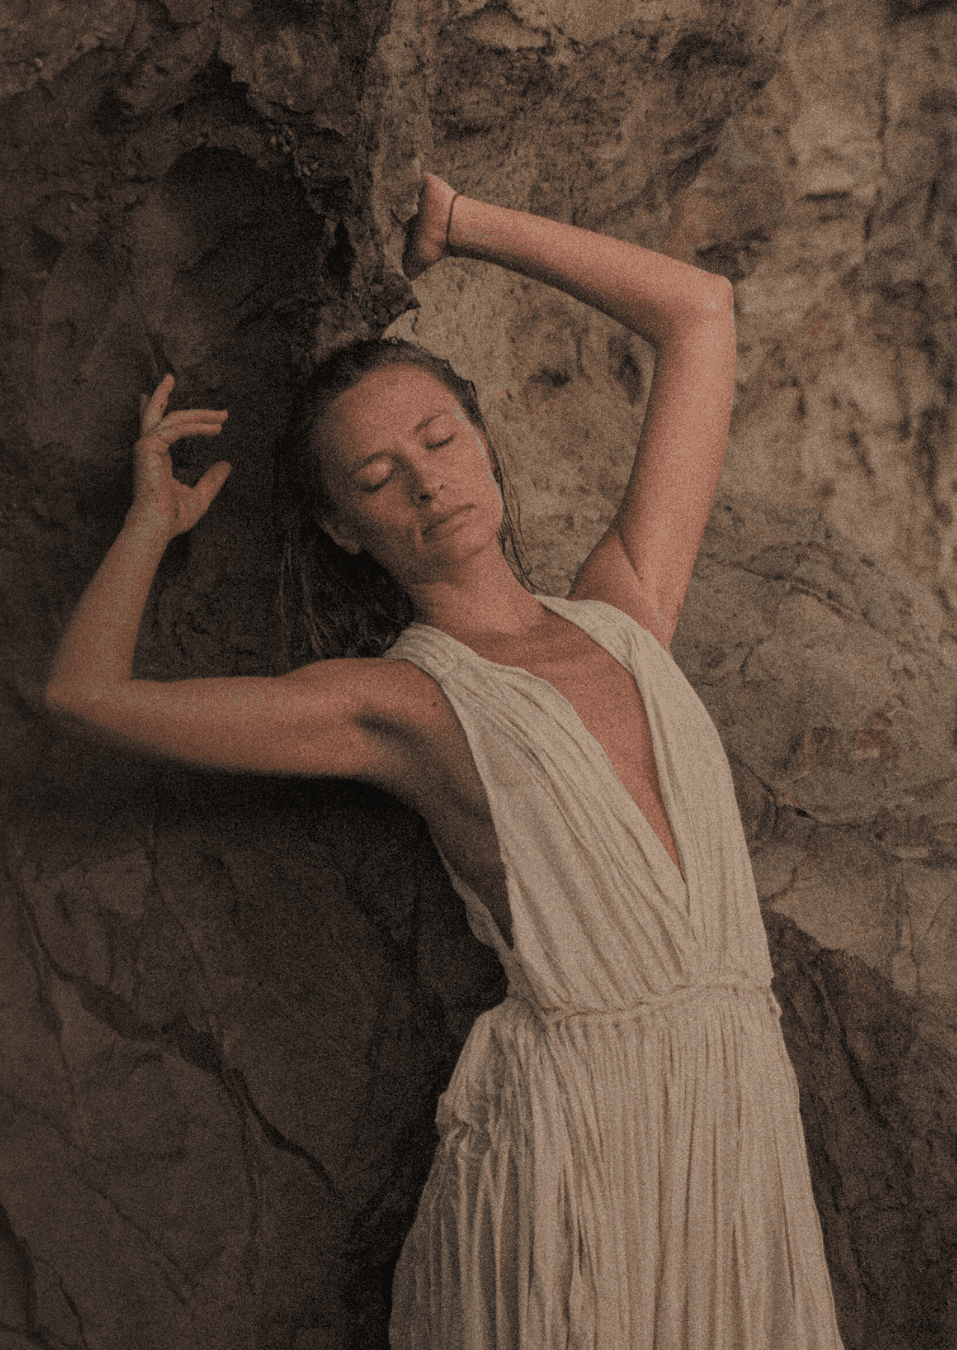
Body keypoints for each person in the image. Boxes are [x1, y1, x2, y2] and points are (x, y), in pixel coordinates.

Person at [46, 174, 847, 1348]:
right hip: (580, 1143)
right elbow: (85, 697)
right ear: (343, 528)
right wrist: (147, 529)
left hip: (737, 1113)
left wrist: (463, 223)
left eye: (440, 438)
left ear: (485, 444)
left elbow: (701, 313)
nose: (427, 480)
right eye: (378, 478)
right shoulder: (402, 704)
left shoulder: (630, 608)